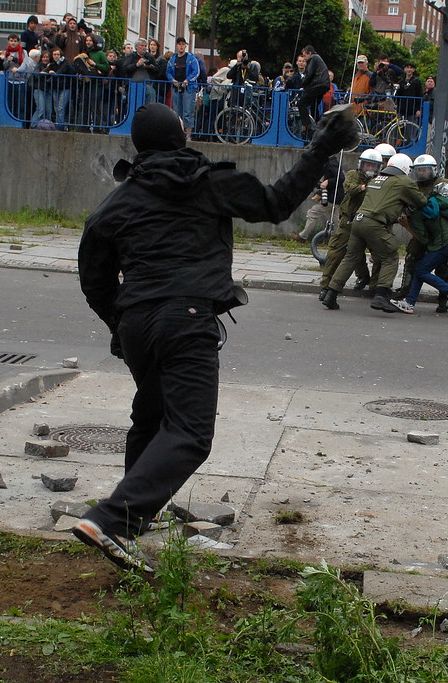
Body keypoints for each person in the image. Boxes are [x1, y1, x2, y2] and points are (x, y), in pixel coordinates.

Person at [74, 103, 359, 571]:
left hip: (138, 323)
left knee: (152, 416)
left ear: (139, 146)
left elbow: (95, 281)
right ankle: (114, 519)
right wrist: (322, 147)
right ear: (181, 137)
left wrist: (119, 327)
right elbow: (277, 202)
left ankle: (128, 524)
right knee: (190, 432)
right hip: (186, 319)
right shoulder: (206, 182)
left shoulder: (114, 204)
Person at [322, 154, 427, 312]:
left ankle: (331, 293)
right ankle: (381, 295)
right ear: (406, 168)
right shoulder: (404, 181)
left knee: (350, 257)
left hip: (357, 221)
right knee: (390, 256)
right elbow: (421, 201)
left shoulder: (376, 180)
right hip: (375, 224)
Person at [391, 154, 448, 315]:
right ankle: (409, 302)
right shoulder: (426, 197)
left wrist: (407, 226)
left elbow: (423, 238)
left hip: (445, 242)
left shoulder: (421, 208)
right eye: (418, 171)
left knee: (423, 269)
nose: (422, 174)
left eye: (425, 170)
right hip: (446, 240)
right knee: (421, 268)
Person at [318, 149, 380, 299]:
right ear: (361, 164)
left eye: (373, 166)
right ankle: (326, 286)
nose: (370, 168)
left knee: (380, 254)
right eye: (367, 165)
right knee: (336, 252)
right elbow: (350, 188)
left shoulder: (381, 180)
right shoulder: (353, 175)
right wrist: (365, 187)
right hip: (349, 220)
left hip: (371, 221)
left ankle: (375, 286)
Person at [166, 37, 200, 140]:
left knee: (188, 112)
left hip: (188, 89)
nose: (181, 46)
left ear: (185, 46)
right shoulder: (172, 59)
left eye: (183, 44)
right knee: (177, 112)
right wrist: (173, 80)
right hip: (176, 88)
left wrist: (187, 81)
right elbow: (168, 72)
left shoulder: (191, 58)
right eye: (179, 44)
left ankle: (188, 135)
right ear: (176, 46)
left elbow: (196, 71)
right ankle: (179, 133)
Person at [298, 45, 330, 135]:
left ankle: (309, 127)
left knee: (301, 103)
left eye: (305, 56)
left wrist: (303, 84)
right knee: (314, 106)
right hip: (323, 85)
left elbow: (309, 74)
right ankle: (318, 125)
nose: (304, 59)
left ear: (309, 53)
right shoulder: (318, 58)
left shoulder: (313, 58)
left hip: (318, 85)